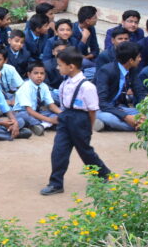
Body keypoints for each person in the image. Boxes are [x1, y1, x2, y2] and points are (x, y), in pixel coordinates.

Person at [41, 48, 111, 196]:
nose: (57, 67)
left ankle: (102, 173)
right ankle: (56, 183)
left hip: (81, 119)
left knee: (85, 151)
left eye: (60, 65)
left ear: (71, 67)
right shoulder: (64, 84)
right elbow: (63, 105)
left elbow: (92, 110)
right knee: (59, 151)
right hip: (66, 117)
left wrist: (89, 127)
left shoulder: (87, 87)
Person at [94, 42, 147, 132]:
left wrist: (145, 111)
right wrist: (126, 117)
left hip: (116, 107)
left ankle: (106, 125)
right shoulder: (106, 71)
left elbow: (139, 91)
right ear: (131, 60)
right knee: (109, 118)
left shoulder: (132, 69)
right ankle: (144, 126)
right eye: (138, 57)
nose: (140, 59)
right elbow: (102, 103)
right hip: (99, 109)